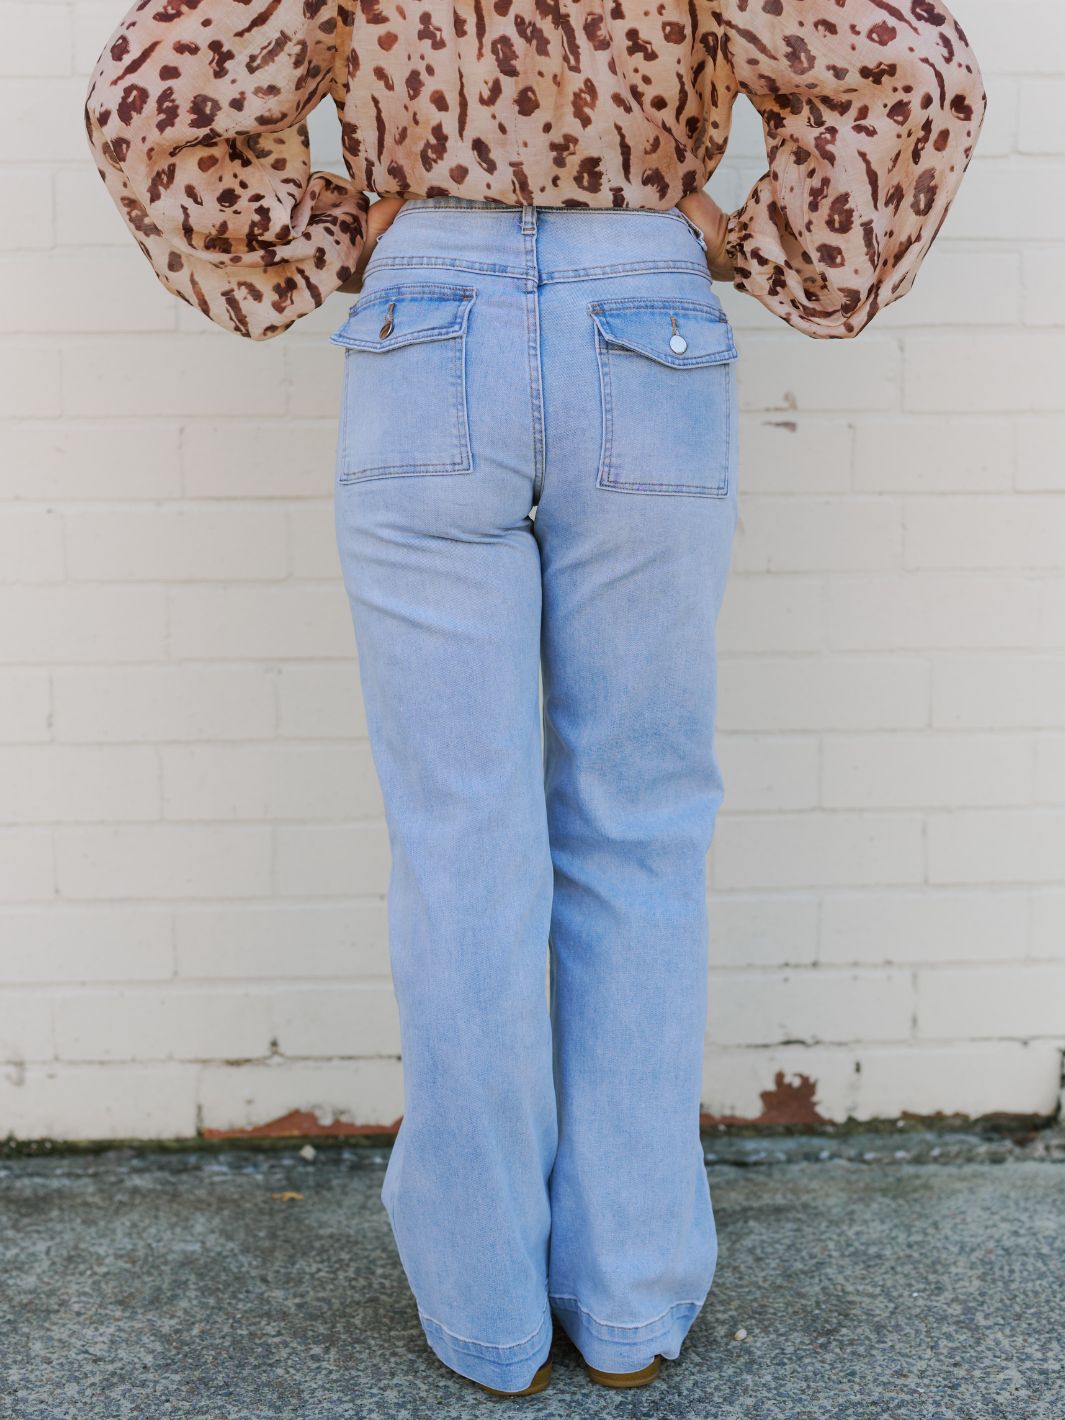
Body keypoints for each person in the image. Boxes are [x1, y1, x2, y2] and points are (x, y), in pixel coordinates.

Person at [84, 0, 985, 1398]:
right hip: (647, 316)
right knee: (640, 830)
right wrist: (748, 239)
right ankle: (627, 1301)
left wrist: (339, 233)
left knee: (460, 842)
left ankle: (488, 1312)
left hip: (426, 317)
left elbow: (151, 97)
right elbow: (909, 68)